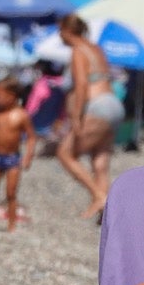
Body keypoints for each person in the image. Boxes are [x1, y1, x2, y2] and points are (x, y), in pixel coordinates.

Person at [56, 15, 122, 219]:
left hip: (96, 105)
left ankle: (99, 196)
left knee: (65, 153)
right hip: (113, 103)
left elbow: (82, 84)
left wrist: (75, 117)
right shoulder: (96, 48)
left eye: (60, 31)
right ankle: (106, 212)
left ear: (67, 30)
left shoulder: (78, 51)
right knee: (100, 161)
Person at [0, 79, 36, 231]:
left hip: (13, 158)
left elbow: (31, 137)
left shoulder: (21, 115)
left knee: (11, 193)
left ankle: (11, 224)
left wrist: (28, 155)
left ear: (12, 96)